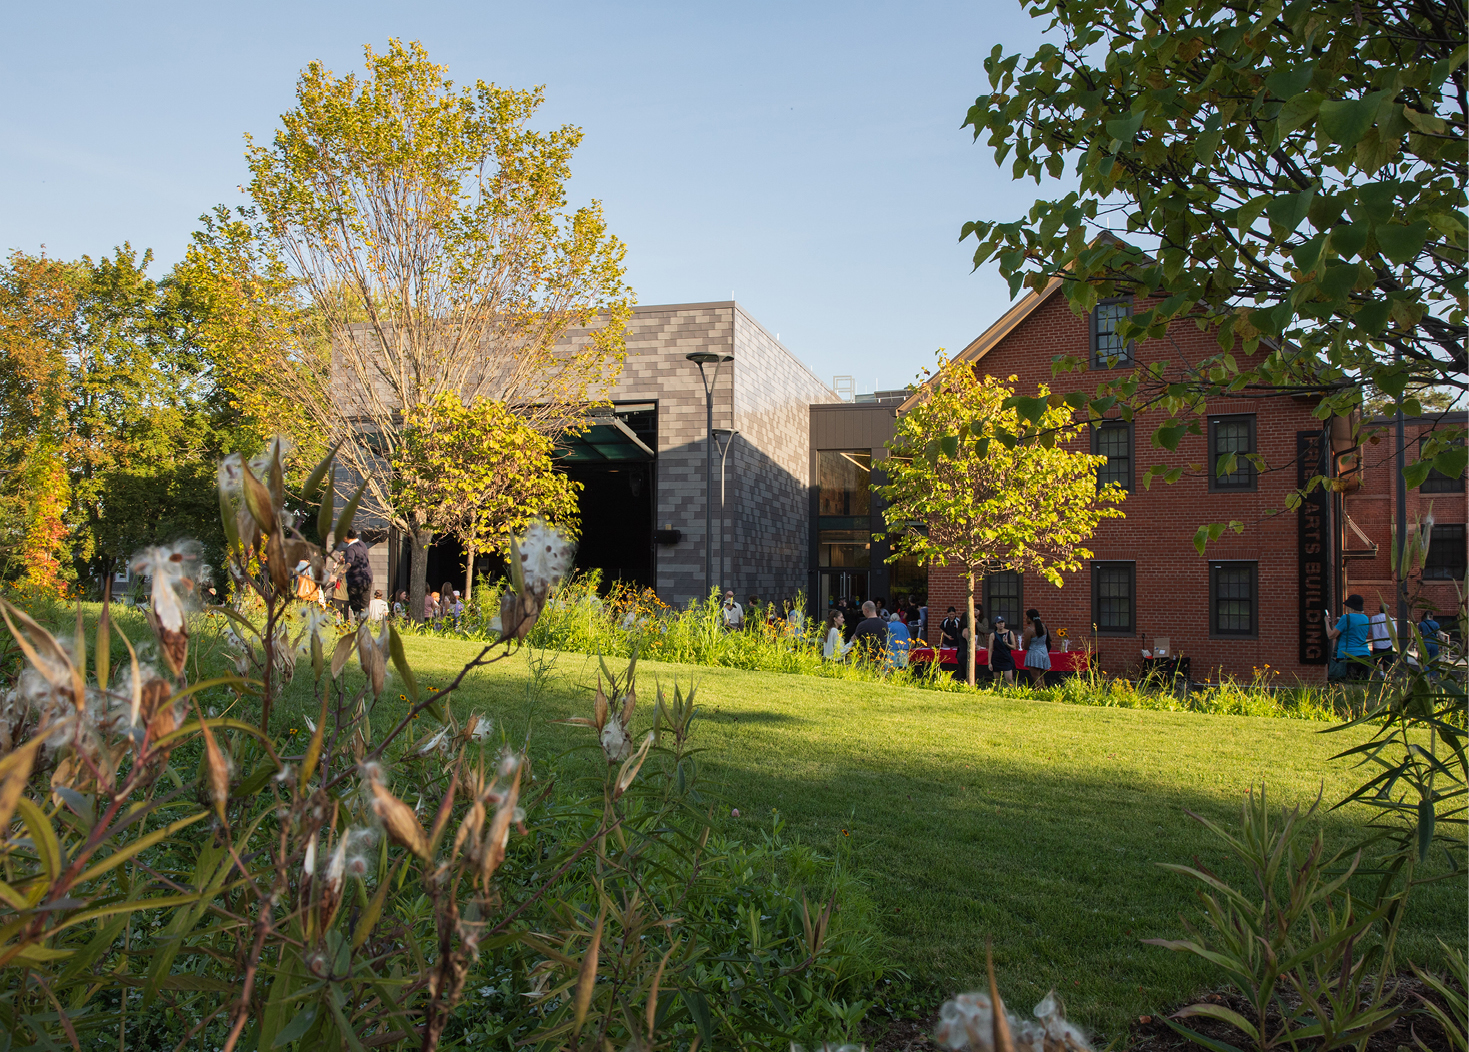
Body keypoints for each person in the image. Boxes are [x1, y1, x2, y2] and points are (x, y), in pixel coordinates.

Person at [1325, 594, 1372, 680]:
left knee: (1347, 685)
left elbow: (1331, 635)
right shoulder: (1365, 618)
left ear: (1350, 607)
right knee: (1362, 685)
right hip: (1365, 655)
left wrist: (1326, 622)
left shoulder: (1346, 618)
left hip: (1348, 656)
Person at [343, 530, 373, 621]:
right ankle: (364, 624)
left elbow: (350, 562)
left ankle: (359, 624)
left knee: (355, 605)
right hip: (367, 578)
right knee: (364, 604)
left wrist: (341, 573)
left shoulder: (351, 548)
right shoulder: (362, 544)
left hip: (355, 580)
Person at [1022, 608, 1051, 688]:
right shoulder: (1044, 627)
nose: (1025, 619)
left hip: (1034, 655)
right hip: (1044, 652)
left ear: (1030, 618)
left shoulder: (1029, 630)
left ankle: (1039, 693)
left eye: (1026, 617)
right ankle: (1044, 693)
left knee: (1036, 677)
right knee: (1042, 677)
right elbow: (1049, 639)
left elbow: (1026, 646)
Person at [986, 614, 1018, 686]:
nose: (1001, 624)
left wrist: (1006, 643)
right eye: (999, 623)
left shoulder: (1009, 633)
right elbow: (990, 649)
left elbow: (1014, 647)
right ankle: (997, 692)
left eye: (1002, 622)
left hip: (1006, 658)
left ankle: (1013, 692)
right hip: (996, 659)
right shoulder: (993, 635)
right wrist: (989, 662)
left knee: (1009, 678)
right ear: (996, 624)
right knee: (997, 680)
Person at [1368, 603, 1395, 670]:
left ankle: (1381, 673)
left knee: (1378, 659)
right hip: (1387, 643)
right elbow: (1394, 631)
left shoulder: (1373, 618)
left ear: (1379, 609)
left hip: (1377, 642)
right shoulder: (1390, 619)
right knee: (1388, 660)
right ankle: (1386, 674)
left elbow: (1370, 630)